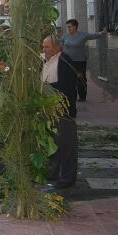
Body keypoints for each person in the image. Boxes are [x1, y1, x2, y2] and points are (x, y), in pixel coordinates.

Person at [42, 34, 79, 189]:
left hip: (63, 112)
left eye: (47, 47)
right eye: (43, 47)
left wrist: (45, 91)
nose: (44, 50)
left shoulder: (64, 61)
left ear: (58, 47)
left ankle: (67, 178)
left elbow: (66, 88)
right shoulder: (46, 60)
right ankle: (52, 174)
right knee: (53, 144)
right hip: (49, 111)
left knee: (67, 146)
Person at [61, 19, 107, 101]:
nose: (68, 29)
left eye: (70, 27)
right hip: (68, 62)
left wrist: (102, 33)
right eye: (67, 27)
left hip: (80, 61)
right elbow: (60, 43)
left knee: (81, 79)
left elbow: (93, 35)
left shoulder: (83, 35)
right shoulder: (65, 36)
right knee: (70, 79)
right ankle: (72, 95)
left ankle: (82, 96)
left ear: (75, 26)